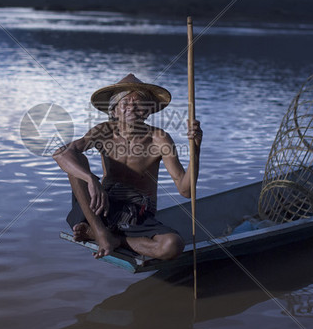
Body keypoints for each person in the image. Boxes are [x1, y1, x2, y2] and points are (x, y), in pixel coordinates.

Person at [53, 74, 202, 260]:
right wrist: (90, 179)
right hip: (100, 208)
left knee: (172, 245)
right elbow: (60, 153)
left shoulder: (159, 138)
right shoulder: (103, 131)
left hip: (136, 213)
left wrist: (195, 150)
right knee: (75, 158)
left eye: (138, 103)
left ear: (147, 111)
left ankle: (113, 239)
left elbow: (185, 190)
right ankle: (99, 232)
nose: (131, 107)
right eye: (125, 103)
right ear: (114, 111)